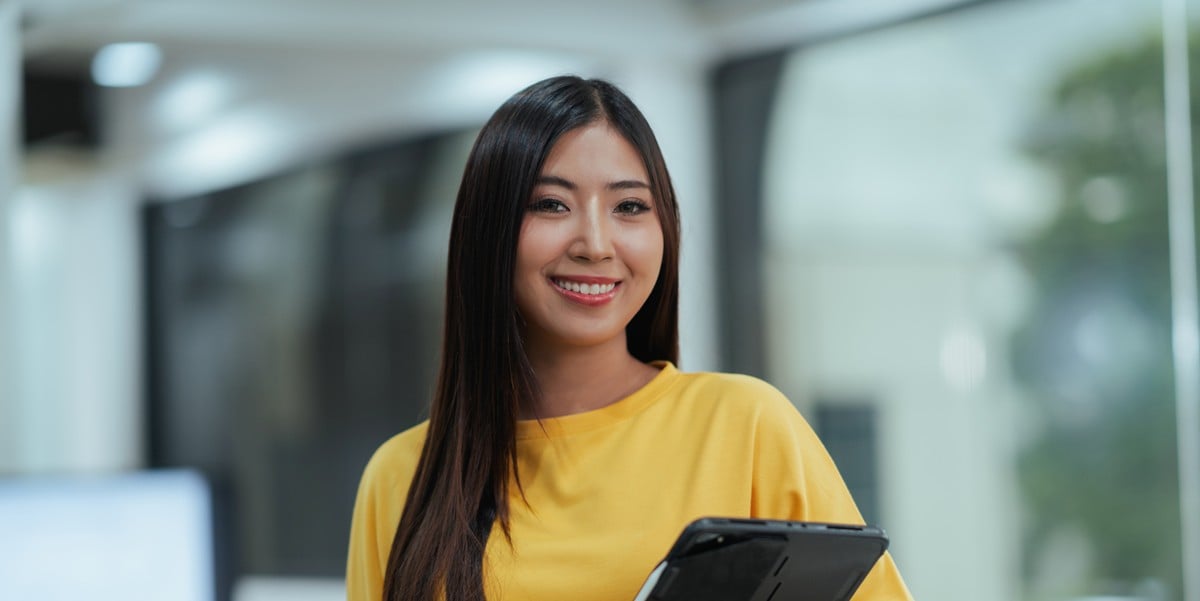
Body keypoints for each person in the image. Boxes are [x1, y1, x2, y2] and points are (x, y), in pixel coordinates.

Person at [345, 75, 913, 601]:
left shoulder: (747, 425)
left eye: (629, 206)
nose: (595, 243)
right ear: (488, 230)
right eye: (551, 204)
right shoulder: (401, 476)